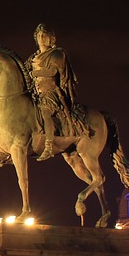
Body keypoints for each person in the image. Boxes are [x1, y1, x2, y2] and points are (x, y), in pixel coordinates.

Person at [28, 23, 80, 161]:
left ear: (51, 38)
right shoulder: (33, 57)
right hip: (36, 94)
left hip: (51, 93)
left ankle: (49, 146)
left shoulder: (57, 53)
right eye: (39, 35)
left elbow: (53, 71)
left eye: (44, 35)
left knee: (45, 112)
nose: (41, 38)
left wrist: (35, 72)